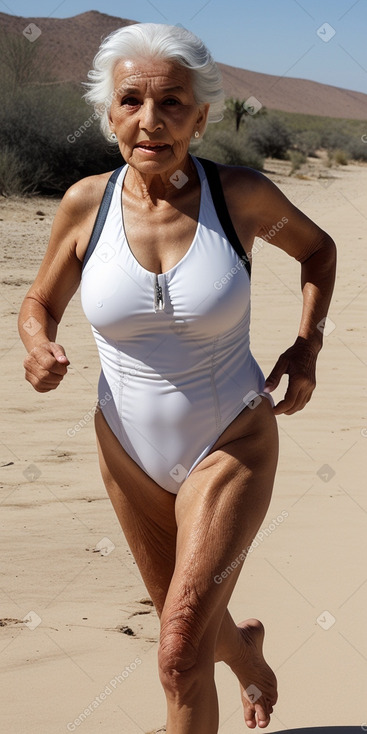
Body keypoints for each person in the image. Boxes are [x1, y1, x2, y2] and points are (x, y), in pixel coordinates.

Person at [18, 23, 336, 733]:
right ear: (108, 112)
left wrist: (306, 347)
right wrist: (38, 343)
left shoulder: (241, 199)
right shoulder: (83, 206)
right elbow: (39, 300)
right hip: (125, 451)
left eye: (172, 103)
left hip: (229, 439)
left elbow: (317, 252)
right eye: (131, 100)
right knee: (183, 624)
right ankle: (247, 653)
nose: (150, 120)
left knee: (175, 651)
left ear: (200, 115)